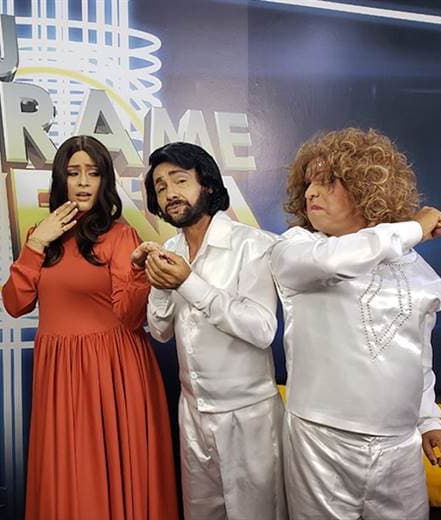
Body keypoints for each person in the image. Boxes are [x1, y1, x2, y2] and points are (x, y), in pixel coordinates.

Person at [271, 128, 441, 519]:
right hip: (320, 440)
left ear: (366, 187)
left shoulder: (416, 268)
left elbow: (418, 357)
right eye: (308, 184)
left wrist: (429, 422)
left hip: (399, 444)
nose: (311, 193)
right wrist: (414, 228)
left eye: (327, 182)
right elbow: (335, 262)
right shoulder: (297, 248)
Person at [2, 135, 178, 520]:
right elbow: (15, 304)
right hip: (59, 374)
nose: (83, 182)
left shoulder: (120, 236)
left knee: (116, 474)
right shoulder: (39, 236)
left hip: (114, 371)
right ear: (60, 179)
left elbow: (131, 317)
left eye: (93, 173)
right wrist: (36, 245)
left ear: (104, 181)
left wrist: (138, 272)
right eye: (73, 173)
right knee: (67, 478)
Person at [133, 142, 287, 520]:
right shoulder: (170, 249)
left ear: (209, 185)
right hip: (192, 413)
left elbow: (262, 329)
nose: (170, 193)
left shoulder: (253, 244)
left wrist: (188, 283)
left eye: (180, 180)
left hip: (248, 415)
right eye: (160, 187)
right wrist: (158, 282)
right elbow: (160, 332)